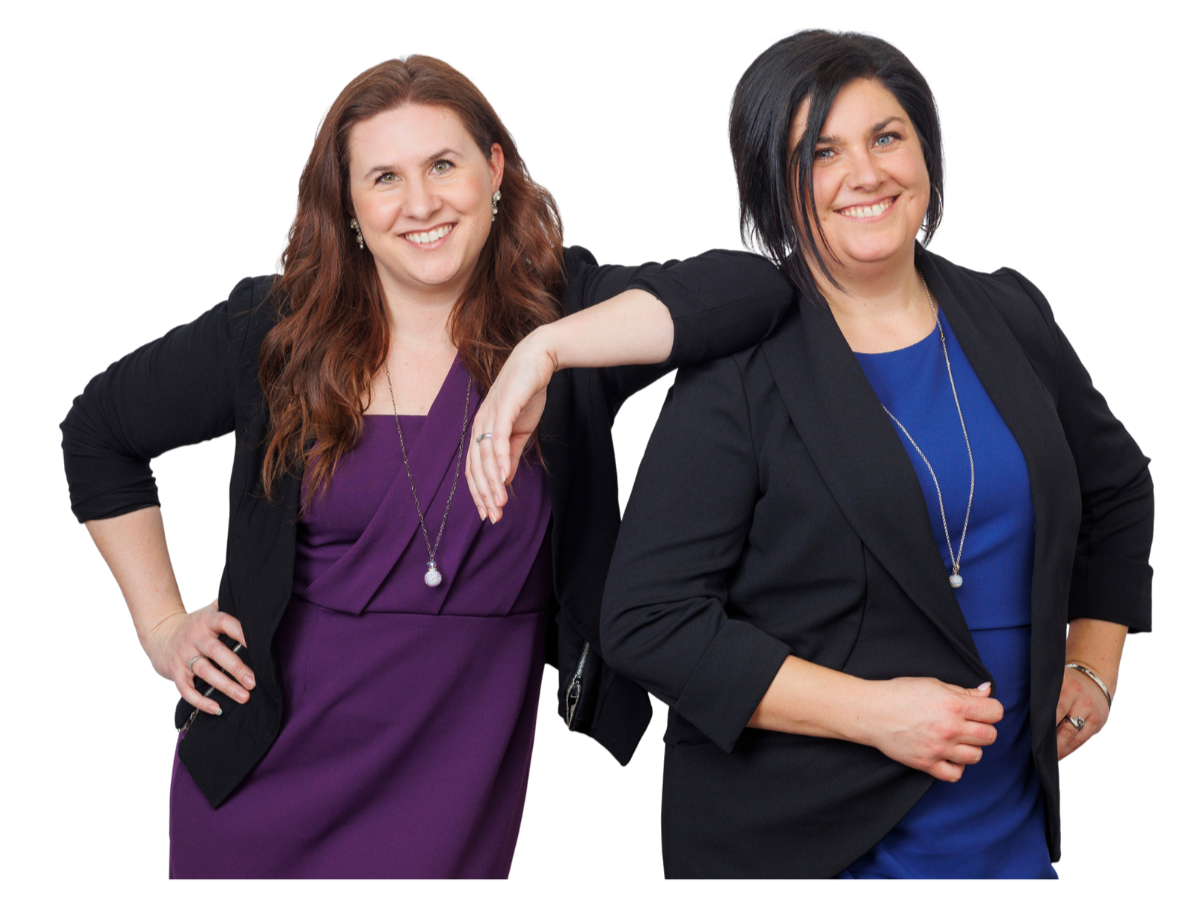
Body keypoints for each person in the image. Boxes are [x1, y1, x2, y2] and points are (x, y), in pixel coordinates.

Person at [60, 56, 791, 878]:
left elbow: (756, 290)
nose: (420, 204)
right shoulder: (274, 332)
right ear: (348, 204)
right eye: (384, 178)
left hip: (453, 788)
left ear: (494, 169)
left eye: (443, 164)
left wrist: (545, 352)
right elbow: (99, 432)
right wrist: (162, 628)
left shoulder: (569, 318)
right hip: (260, 783)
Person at [598, 30, 1153, 878]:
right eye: (821, 152)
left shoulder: (1008, 313)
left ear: (925, 150)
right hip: (807, 840)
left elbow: (1115, 487)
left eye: (886, 137)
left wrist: (1095, 661)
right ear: (774, 183)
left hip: (1003, 821)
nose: (865, 173)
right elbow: (648, 620)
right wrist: (872, 714)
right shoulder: (739, 362)